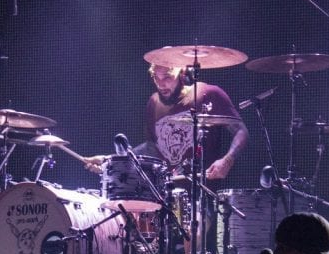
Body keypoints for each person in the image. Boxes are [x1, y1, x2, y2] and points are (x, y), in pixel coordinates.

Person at [84, 63, 248, 181]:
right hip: (166, 193)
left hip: (203, 191)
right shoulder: (154, 102)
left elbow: (241, 131)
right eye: (155, 77)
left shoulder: (208, 93)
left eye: (167, 77)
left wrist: (228, 160)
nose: (161, 84)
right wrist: (111, 161)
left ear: (182, 73)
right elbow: (152, 148)